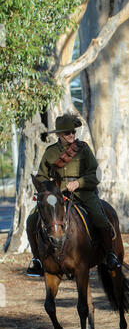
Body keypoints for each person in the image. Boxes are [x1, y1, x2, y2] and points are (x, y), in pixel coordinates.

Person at [26, 113, 120, 277]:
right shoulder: (50, 152)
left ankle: (109, 254)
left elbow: (95, 174)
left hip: (83, 193)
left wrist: (78, 183)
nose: (71, 135)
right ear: (58, 134)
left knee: (99, 216)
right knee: (32, 219)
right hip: (58, 196)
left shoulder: (83, 149)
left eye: (73, 132)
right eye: (67, 132)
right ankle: (37, 260)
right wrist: (50, 189)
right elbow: (41, 176)